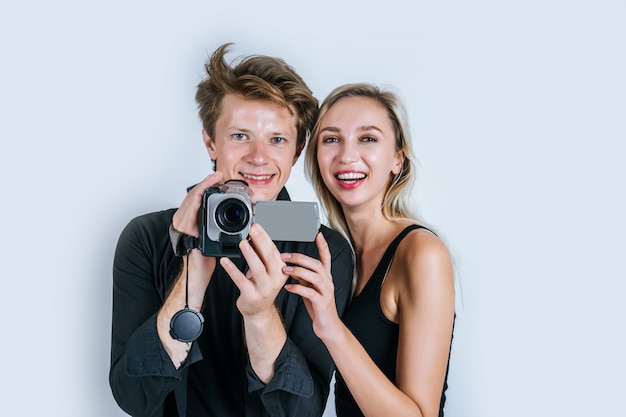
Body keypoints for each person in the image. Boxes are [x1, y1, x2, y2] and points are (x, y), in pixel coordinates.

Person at [109, 43, 354, 417]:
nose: (258, 157)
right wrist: (192, 269)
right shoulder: (147, 236)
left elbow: (303, 411)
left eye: (277, 140)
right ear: (210, 140)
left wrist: (260, 314)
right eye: (240, 136)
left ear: (298, 150)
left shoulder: (321, 248)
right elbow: (134, 397)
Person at [281, 83, 455, 417]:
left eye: (368, 138)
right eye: (331, 139)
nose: (347, 155)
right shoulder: (326, 240)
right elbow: (248, 215)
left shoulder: (421, 253)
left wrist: (331, 328)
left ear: (397, 159)